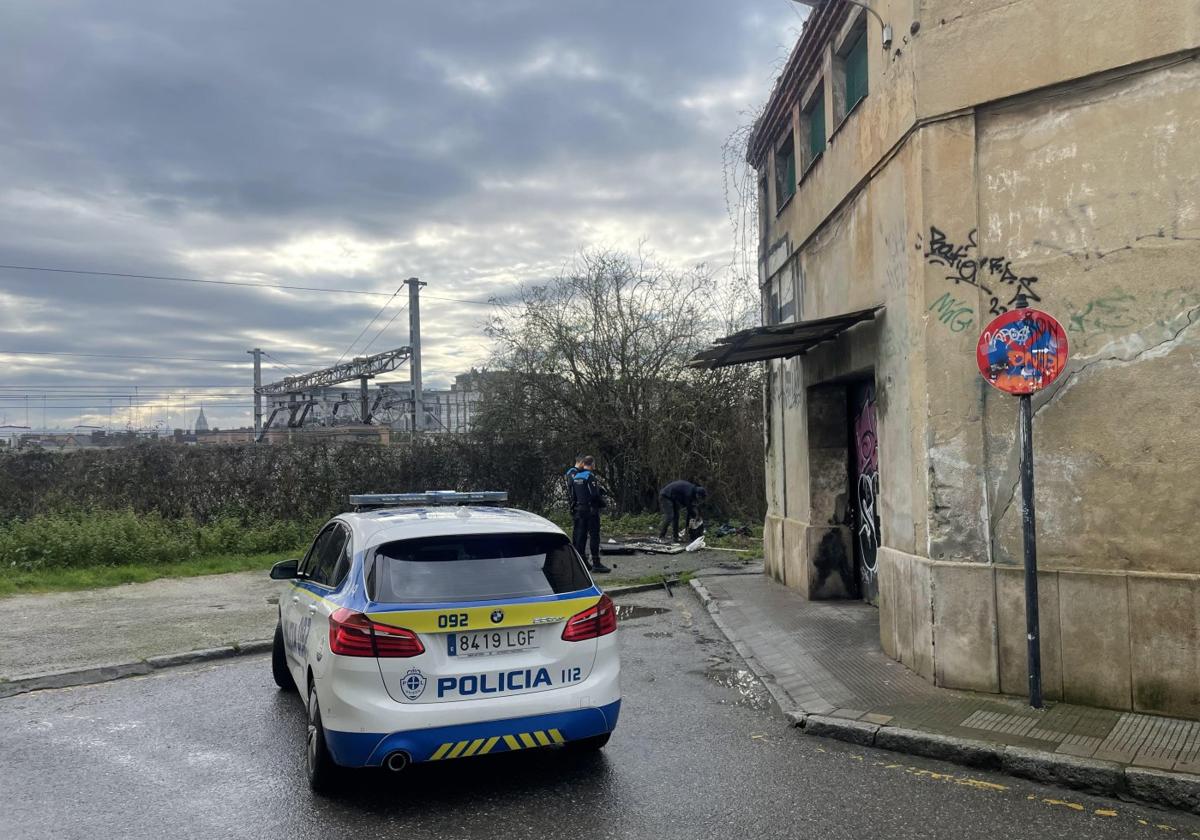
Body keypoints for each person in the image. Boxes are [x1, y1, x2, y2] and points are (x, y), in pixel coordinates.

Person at [571, 456, 611, 573]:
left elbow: (573, 495)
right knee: (594, 536)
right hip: (591, 511)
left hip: (580, 510)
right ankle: (596, 563)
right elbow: (594, 495)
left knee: (581, 536)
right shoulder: (590, 476)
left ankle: (582, 563)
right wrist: (602, 504)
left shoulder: (576, 477)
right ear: (592, 464)